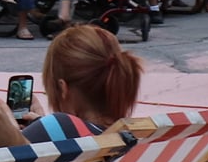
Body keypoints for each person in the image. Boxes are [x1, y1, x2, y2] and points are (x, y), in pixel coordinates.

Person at [16, 24, 145, 142]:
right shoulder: (133, 136)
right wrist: (41, 125)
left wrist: (8, 131)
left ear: (63, 89)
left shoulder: (60, 124)